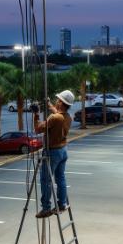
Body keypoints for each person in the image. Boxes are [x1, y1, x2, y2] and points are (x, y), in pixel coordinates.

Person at [33, 90, 74, 218]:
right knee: (60, 178)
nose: (56, 101)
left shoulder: (54, 118)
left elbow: (38, 129)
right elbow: (57, 114)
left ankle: (46, 208)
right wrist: (49, 104)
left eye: (58, 100)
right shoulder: (67, 117)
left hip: (52, 152)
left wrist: (36, 114)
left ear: (61, 103)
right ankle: (62, 204)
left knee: (46, 180)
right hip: (63, 151)